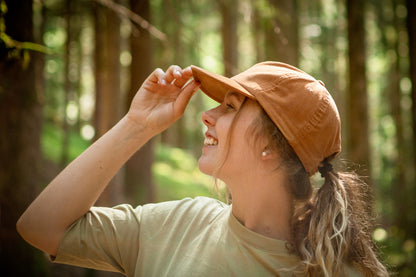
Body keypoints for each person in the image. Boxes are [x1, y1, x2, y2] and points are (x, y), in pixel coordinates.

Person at [17, 62, 388, 276]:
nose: (206, 115)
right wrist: (137, 124)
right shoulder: (178, 224)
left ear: (272, 147)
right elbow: (41, 227)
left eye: (230, 107)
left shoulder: (336, 272)